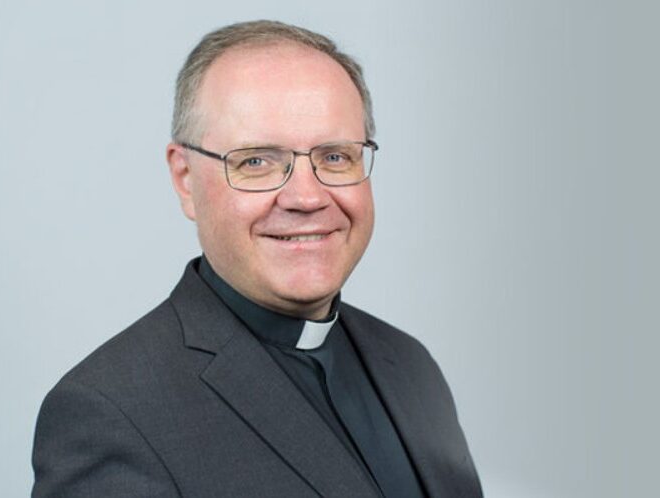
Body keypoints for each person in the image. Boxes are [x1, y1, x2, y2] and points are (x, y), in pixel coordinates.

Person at [31, 20, 483, 498]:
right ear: (185, 179)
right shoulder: (114, 413)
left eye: (335, 157)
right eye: (256, 161)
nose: (307, 198)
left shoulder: (411, 366)